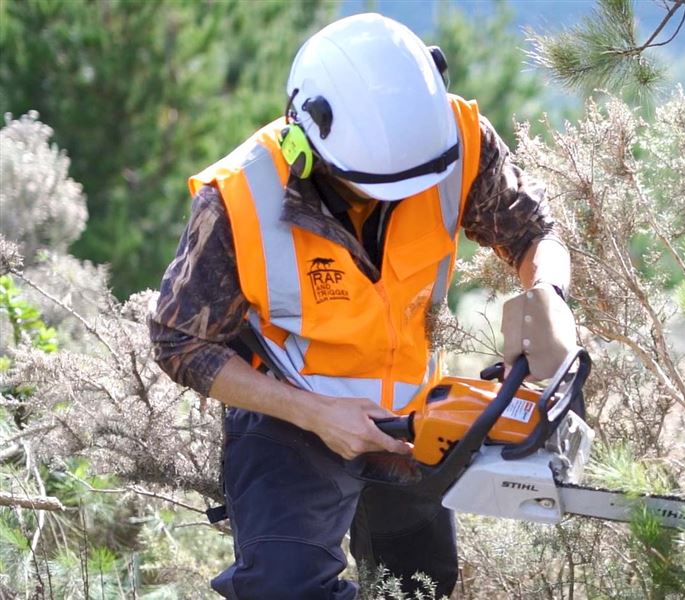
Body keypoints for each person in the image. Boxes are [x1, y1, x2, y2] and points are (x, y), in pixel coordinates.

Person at [149, 13, 577, 599]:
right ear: (312, 145)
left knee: (419, 586)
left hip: (409, 414)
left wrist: (547, 292)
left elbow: (535, 232)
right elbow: (177, 339)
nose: (398, 200)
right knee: (283, 588)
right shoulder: (240, 199)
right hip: (288, 414)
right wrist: (314, 412)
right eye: (372, 188)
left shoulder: (450, 140)